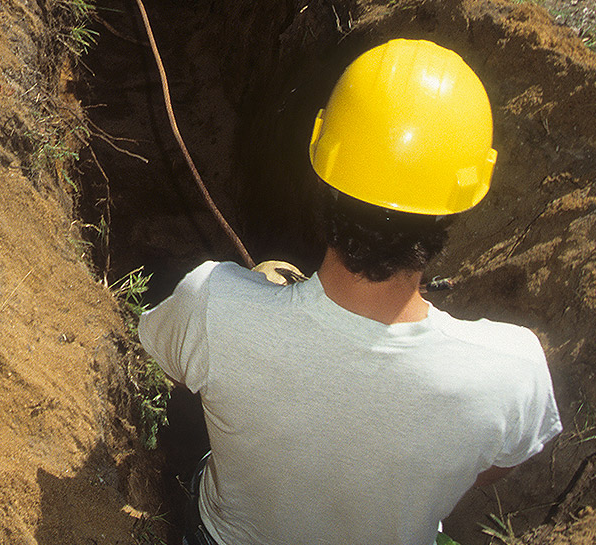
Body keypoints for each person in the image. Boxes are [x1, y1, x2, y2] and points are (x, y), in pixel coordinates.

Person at [137, 39, 562, 545]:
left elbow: (168, 368)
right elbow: (493, 468)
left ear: (325, 176)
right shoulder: (513, 370)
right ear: (453, 206)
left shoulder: (211, 301)